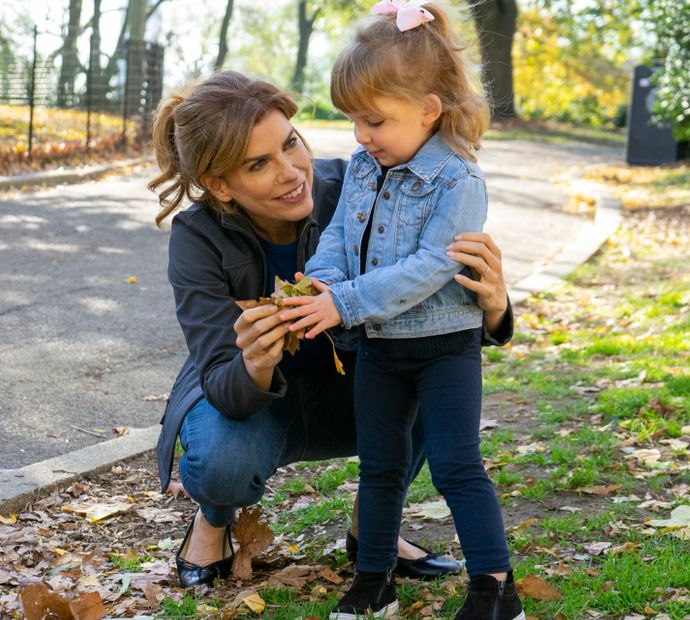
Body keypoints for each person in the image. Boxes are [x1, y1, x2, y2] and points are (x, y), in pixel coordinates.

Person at [147, 71, 514, 597]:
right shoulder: (197, 238)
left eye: (290, 143)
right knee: (222, 460)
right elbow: (221, 381)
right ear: (221, 185)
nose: (292, 172)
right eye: (258, 164)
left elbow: (438, 318)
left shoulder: (359, 185)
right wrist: (255, 361)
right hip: (255, 404)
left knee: (430, 380)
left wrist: (496, 307)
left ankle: (373, 532)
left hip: (358, 386)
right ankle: (213, 520)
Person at [279, 3, 522, 619]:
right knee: (381, 468)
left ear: (428, 109)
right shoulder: (366, 167)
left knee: (456, 466)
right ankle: (374, 578)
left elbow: (429, 268)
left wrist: (347, 303)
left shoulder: (457, 182)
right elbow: (335, 234)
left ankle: (495, 588)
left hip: (446, 347)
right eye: (353, 121)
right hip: (380, 350)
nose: (360, 136)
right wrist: (325, 283)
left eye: (374, 121)